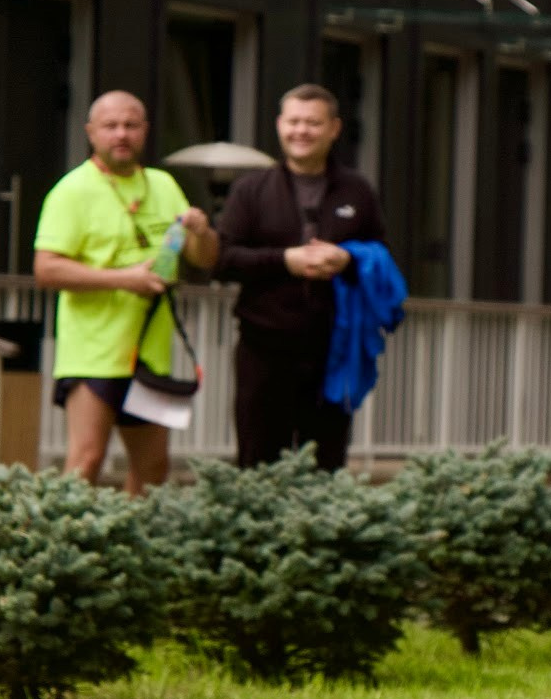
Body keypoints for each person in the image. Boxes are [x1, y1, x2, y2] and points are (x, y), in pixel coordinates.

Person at [33, 91, 217, 492]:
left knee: (153, 469)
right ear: (91, 133)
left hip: (150, 351)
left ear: (145, 132)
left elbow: (204, 259)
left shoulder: (163, 185)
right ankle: (62, 548)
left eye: (131, 125)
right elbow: (46, 269)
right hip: (94, 353)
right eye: (111, 126)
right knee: (87, 459)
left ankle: (133, 551)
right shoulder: (73, 190)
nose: (122, 134)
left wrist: (202, 233)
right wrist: (125, 279)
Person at [216, 84, 386, 470]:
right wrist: (284, 261)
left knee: (326, 464)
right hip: (263, 348)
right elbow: (224, 260)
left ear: (334, 128)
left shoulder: (357, 190)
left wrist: (347, 258)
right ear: (279, 125)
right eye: (294, 121)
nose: (302, 131)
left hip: (333, 348)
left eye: (313, 122)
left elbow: (382, 256)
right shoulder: (251, 190)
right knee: (258, 463)